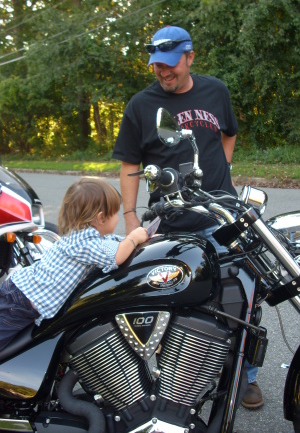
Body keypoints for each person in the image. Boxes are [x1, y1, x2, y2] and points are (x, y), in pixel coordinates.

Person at [112, 25, 263, 409]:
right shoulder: (140, 105)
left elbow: (228, 132)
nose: (163, 72)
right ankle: (170, 379)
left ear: (190, 57)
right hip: (170, 223)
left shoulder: (216, 91)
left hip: (220, 217)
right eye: (156, 66)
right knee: (171, 298)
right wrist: (131, 217)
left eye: (170, 64)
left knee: (241, 296)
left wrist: (223, 168)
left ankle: (245, 379)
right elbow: (130, 162)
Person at [0, 177, 148, 351]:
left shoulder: (89, 237)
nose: (117, 218)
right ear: (101, 218)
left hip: (21, 295)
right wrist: (133, 237)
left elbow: (114, 243)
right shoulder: (83, 243)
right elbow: (116, 256)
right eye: (115, 213)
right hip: (19, 302)